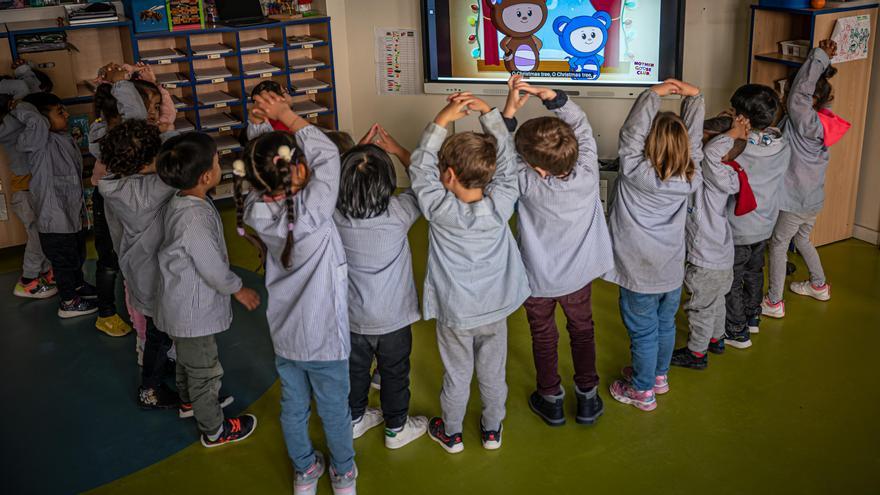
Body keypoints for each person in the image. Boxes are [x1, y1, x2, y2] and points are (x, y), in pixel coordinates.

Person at [238, 91, 356, 495]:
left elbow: (258, 163)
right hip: (326, 339)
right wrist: (283, 113)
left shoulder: (254, 210)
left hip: (286, 338)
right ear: (299, 171)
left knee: (294, 407)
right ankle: (343, 475)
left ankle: (305, 471)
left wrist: (259, 120)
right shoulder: (315, 211)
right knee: (335, 411)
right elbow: (328, 155)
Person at [410, 93, 529, 453]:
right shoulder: (503, 201)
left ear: (447, 175)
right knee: (494, 374)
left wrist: (445, 116)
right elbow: (508, 161)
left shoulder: (438, 208)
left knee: (457, 374)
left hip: (456, 312)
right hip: (496, 308)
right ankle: (492, 430)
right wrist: (490, 115)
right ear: (487, 174)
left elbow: (418, 166)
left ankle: (452, 433)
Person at [500, 75, 612, 426]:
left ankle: (550, 397)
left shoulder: (523, 179)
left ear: (534, 165)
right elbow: (580, 123)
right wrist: (553, 97)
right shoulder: (588, 170)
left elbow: (499, 153)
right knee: (583, 329)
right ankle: (588, 398)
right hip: (579, 277)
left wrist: (509, 108)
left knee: (543, 334)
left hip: (537, 279)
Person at [604, 79, 704, 412]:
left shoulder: (635, 171)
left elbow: (630, 135)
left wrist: (652, 94)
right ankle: (658, 376)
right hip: (670, 269)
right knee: (664, 325)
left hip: (638, 271)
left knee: (643, 331)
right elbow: (696, 143)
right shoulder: (691, 175)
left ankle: (642, 390)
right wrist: (695, 99)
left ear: (650, 144)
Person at [155, 132, 260, 447]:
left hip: (181, 305)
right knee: (205, 369)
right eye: (217, 160)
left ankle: (190, 403)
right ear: (205, 176)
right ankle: (214, 429)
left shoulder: (184, 200)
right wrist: (238, 289)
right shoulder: (193, 218)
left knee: (188, 362)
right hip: (193, 310)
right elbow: (211, 266)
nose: (220, 163)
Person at [334, 126, 427, 450]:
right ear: (388, 183)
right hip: (393, 320)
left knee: (354, 373)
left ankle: (355, 419)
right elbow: (424, 184)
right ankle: (396, 428)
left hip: (351, 319)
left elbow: (327, 185)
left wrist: (350, 157)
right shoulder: (398, 213)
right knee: (395, 374)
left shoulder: (333, 214)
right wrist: (400, 150)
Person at [763, 39, 850, 319]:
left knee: (778, 244)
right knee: (803, 239)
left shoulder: (804, 118)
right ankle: (818, 285)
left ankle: (774, 301)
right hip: (812, 200)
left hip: (795, 200)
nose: (787, 95)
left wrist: (821, 56)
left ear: (810, 99)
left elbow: (800, 91)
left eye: (789, 91)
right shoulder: (821, 122)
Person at [98, 119, 179, 409]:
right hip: (154, 273)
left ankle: (160, 372)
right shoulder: (147, 191)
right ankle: (151, 389)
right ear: (147, 163)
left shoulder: (118, 184)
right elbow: (181, 154)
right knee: (159, 333)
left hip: (139, 269)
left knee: (159, 332)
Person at [672, 114, 751, 369]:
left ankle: (697, 353)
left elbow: (713, 149)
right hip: (721, 255)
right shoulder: (722, 173)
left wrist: (734, 132)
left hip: (706, 259)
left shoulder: (715, 170)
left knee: (700, 307)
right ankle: (716, 339)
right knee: (716, 302)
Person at [13, 92, 97, 317]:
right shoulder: (39, 140)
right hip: (55, 218)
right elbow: (36, 120)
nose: (67, 114)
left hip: (71, 215)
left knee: (77, 255)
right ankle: (68, 302)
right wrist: (19, 105)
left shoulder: (61, 136)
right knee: (63, 261)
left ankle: (78, 287)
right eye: (60, 112)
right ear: (41, 118)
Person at [723, 83, 788, 346]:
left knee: (733, 280)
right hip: (765, 224)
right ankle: (752, 317)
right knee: (754, 272)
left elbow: (722, 159)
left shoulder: (740, 148)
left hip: (738, 227)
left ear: (742, 118)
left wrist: (731, 131)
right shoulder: (781, 145)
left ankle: (736, 330)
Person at [1, 91, 55, 299]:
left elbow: (32, 90)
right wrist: (18, 106)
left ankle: (42, 274)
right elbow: (38, 121)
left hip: (29, 189)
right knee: (37, 237)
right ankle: (28, 279)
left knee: (41, 235)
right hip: (25, 192)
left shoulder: (13, 120)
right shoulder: (13, 124)